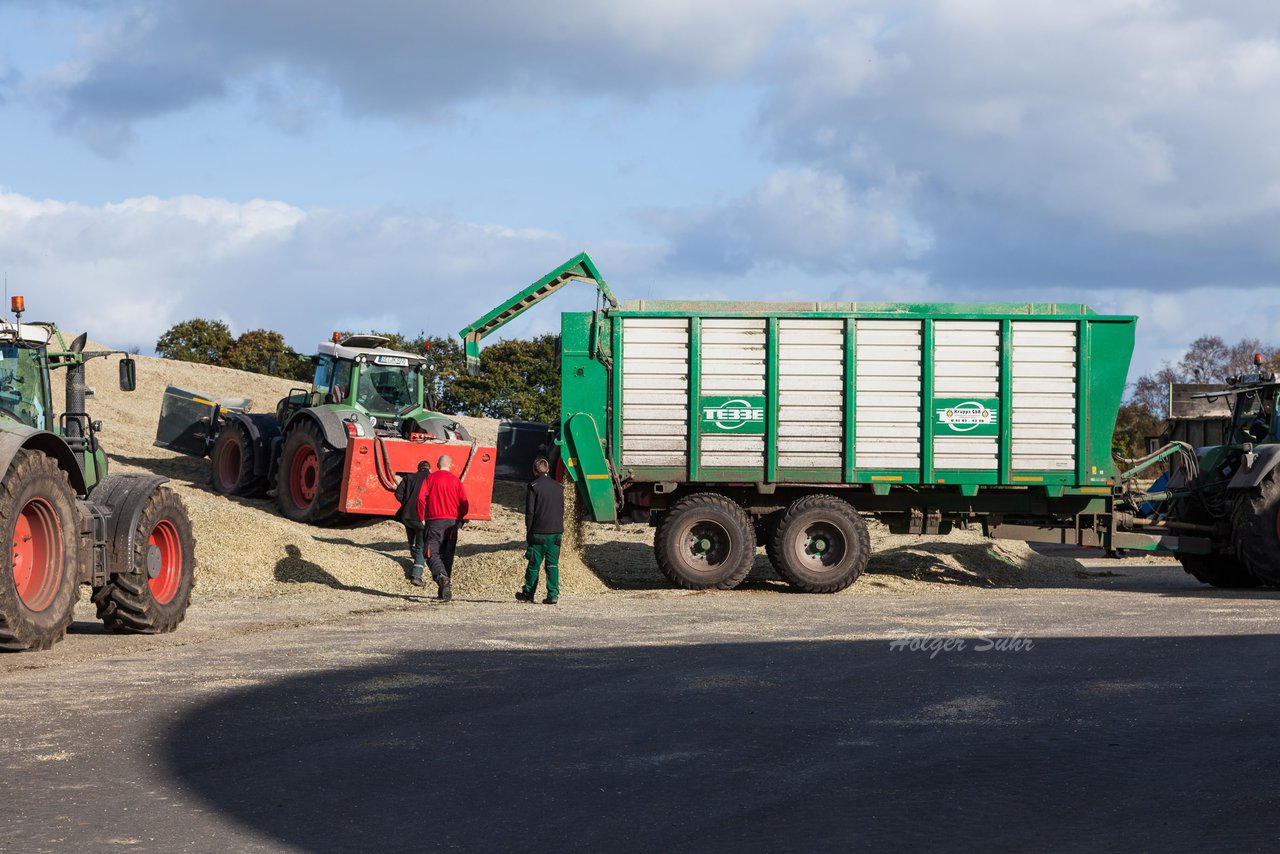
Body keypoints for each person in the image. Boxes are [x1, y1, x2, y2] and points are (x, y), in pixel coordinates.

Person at [418, 453, 469, 602]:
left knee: (430, 552)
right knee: (447, 555)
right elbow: (465, 503)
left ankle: (441, 577)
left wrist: (422, 516)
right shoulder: (456, 481)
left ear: (437, 464)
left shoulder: (431, 478)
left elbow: (421, 498)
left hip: (435, 521)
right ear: (450, 465)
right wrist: (459, 518)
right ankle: (444, 590)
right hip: (452, 523)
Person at [516, 457, 564, 605]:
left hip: (539, 532)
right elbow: (562, 509)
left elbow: (530, 512)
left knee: (534, 565)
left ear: (534, 470)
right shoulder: (559, 487)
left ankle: (528, 593)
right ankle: (553, 595)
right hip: (556, 531)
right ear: (548, 469)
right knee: (552, 565)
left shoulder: (533, 486)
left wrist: (529, 531)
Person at [394, 460, 432, 586]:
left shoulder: (409, 477)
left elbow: (398, 494)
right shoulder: (431, 479)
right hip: (422, 518)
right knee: (422, 547)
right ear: (429, 469)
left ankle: (413, 554)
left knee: (412, 541)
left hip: (407, 516)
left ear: (418, 468)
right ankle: (416, 575)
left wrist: (406, 503)